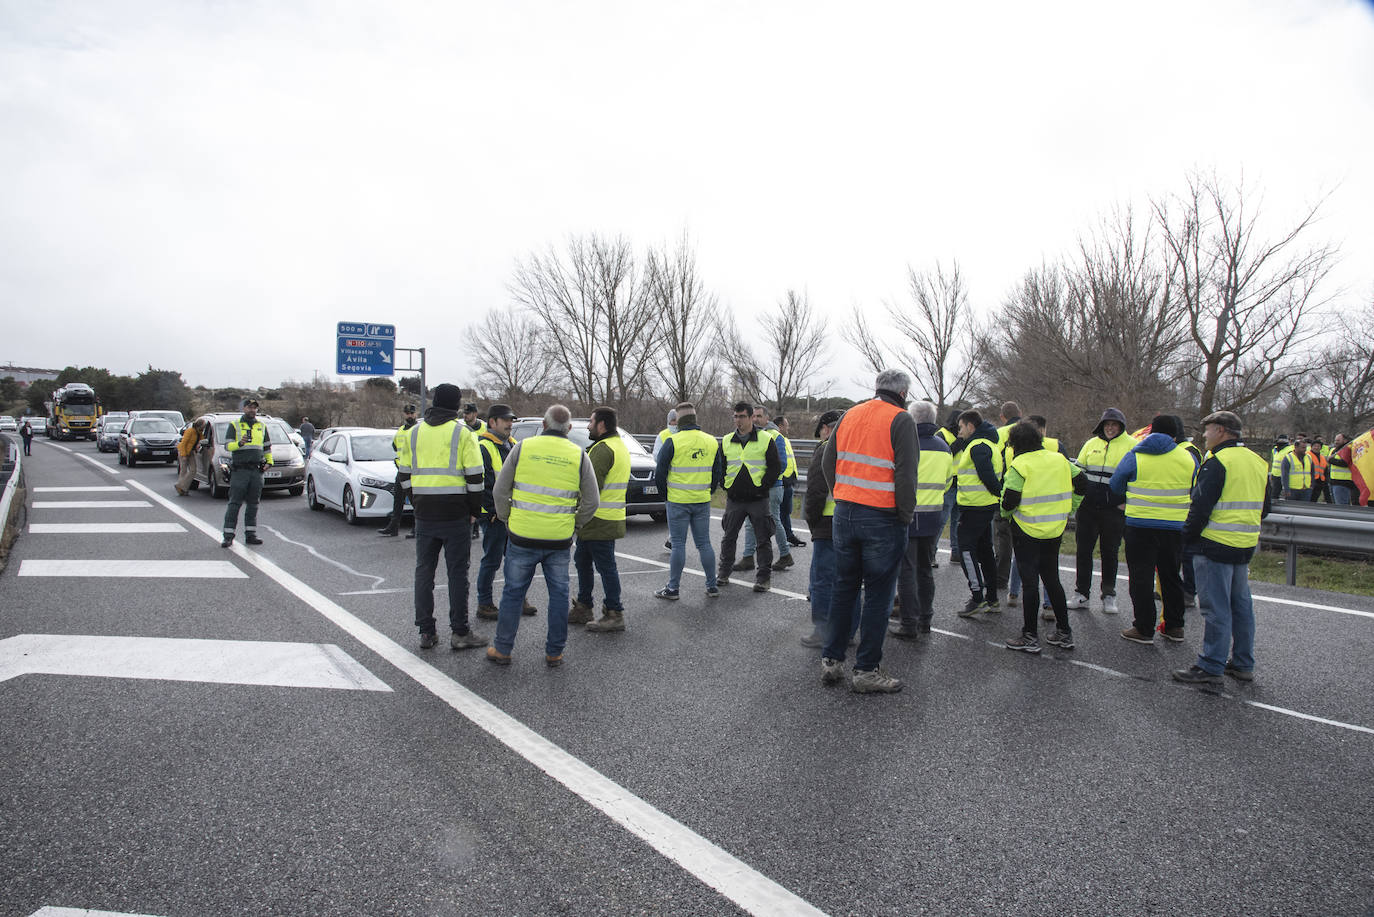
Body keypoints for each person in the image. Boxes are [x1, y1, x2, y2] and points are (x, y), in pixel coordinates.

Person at [818, 369, 919, 694]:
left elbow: (827, 461)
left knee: (844, 588)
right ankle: (866, 670)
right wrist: (904, 516)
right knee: (878, 595)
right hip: (882, 517)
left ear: (877, 389)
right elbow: (906, 475)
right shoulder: (901, 419)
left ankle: (831, 661)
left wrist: (841, 494)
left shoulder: (850, 414)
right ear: (903, 394)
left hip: (845, 513)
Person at [488, 404, 599, 666]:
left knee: (513, 593)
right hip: (559, 540)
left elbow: (499, 491)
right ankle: (554, 651)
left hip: (521, 535)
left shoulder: (522, 448)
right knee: (559, 595)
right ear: (569, 428)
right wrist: (575, 525)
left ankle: (503, 649)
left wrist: (507, 519)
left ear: (544, 425)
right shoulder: (579, 455)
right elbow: (592, 501)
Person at [1173, 410, 1271, 684]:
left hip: (1215, 545)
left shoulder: (1217, 461)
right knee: (1241, 606)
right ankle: (1242, 663)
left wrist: (1188, 538)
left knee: (1215, 609)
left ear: (1222, 431)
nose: (1204, 435)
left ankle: (1211, 665)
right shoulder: (1258, 461)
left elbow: (1200, 507)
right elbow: (1266, 508)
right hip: (1245, 544)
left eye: (1208, 430)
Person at [399, 383, 488, 651]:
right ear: (457, 405)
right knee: (457, 574)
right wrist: (474, 511)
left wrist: (416, 501)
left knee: (424, 572)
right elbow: (475, 479)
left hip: (425, 512)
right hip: (455, 513)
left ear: (434, 402)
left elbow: (403, 476)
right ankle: (460, 632)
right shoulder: (464, 433)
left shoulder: (414, 433)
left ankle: (426, 632)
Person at [1110, 415, 1198, 646]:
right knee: (1170, 576)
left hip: (1140, 525)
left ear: (1150, 432)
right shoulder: (1188, 457)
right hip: (1174, 527)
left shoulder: (1136, 454)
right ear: (1175, 436)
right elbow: (1196, 487)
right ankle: (1174, 626)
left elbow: (1116, 484)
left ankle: (1143, 628)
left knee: (1141, 577)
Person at [1000, 421, 1085, 653]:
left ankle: (1029, 636)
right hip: (1055, 528)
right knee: (1052, 579)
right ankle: (1064, 632)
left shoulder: (1020, 464)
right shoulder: (1059, 459)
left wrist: (1006, 514)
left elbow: (1010, 499)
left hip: (1026, 529)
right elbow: (1082, 483)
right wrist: (1070, 508)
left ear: (1016, 444)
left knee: (1030, 583)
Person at [890, 401, 951, 640]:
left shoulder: (905, 444)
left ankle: (909, 623)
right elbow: (947, 483)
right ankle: (926, 619)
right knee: (925, 570)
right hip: (933, 516)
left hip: (907, 514)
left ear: (911, 419)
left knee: (907, 571)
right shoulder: (944, 447)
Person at [571, 407, 631, 633]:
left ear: (602, 425)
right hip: (607, 516)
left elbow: (588, 487)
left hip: (598, 518)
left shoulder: (603, 449)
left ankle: (614, 613)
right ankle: (584, 606)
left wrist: (574, 511)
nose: (588, 426)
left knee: (606, 567)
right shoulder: (618, 445)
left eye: (591, 421)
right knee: (583, 560)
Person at [655, 402, 724, 599]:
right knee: (704, 544)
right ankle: (712, 586)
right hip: (701, 500)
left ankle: (673, 588)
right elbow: (717, 471)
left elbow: (660, 472)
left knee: (678, 544)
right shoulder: (711, 441)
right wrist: (708, 491)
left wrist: (664, 495)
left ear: (679, 421)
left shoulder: (673, 441)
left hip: (677, 500)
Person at [474, 404, 536, 621]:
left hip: (512, 514)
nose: (510, 424)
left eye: (511, 420)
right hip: (493, 514)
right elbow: (483, 483)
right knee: (492, 560)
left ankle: (518, 599)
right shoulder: (483, 446)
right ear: (493, 422)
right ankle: (484, 603)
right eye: (506, 420)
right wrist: (492, 511)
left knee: (515, 560)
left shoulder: (512, 444)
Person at [1072, 408, 1132, 613]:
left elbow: (1137, 477)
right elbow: (1078, 473)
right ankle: (1081, 594)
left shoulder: (1132, 446)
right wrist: (1079, 499)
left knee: (1110, 552)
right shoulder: (1091, 444)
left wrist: (1126, 502)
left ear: (1121, 427)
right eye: (1107, 425)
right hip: (1088, 508)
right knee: (1083, 551)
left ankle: (1108, 594)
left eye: (1114, 425)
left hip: (1113, 510)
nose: (1110, 428)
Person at [716, 401, 780, 595]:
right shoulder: (726, 440)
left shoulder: (765, 438)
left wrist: (762, 486)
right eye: (735, 416)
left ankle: (763, 579)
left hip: (758, 499)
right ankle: (723, 573)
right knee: (729, 537)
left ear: (752, 417)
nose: (738, 420)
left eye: (742, 416)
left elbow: (775, 467)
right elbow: (721, 466)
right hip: (735, 499)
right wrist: (725, 484)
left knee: (763, 539)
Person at [802, 410, 853, 646]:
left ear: (826, 428)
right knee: (850, 579)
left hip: (827, 521)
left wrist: (811, 520)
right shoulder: (858, 447)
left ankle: (822, 631)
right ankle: (849, 631)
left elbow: (815, 491)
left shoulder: (826, 448)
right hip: (854, 520)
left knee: (823, 579)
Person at [953, 409, 1002, 617]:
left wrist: (998, 493)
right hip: (983, 506)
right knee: (985, 551)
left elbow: (987, 475)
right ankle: (992, 598)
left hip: (975, 507)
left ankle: (977, 596)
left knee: (966, 550)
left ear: (971, 426)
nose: (959, 432)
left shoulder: (978, 446)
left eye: (961, 427)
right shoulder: (988, 443)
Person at [737, 406, 794, 572]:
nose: (755, 419)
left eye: (759, 416)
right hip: (754, 487)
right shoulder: (749, 435)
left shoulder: (775, 436)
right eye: (753, 416)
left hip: (771, 487)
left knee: (774, 521)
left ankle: (785, 555)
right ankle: (748, 557)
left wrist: (764, 482)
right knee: (749, 522)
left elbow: (781, 463)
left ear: (767, 418)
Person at [221, 399, 273, 548]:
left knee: (253, 504)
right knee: (234, 503)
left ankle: (251, 534)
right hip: (240, 470)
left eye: (255, 408)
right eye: (250, 407)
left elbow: (267, 448)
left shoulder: (261, 426)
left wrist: (269, 462)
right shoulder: (235, 425)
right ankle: (228, 536)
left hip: (256, 471)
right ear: (243, 408)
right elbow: (227, 446)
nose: (252, 410)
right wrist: (240, 443)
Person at [992, 401, 1023, 600]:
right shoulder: (1031, 430)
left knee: (1003, 535)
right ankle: (1021, 579)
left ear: (1003, 417)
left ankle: (1001, 577)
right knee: (1023, 537)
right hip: (1028, 490)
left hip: (1005, 487)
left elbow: (996, 460)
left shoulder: (1001, 433)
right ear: (1020, 414)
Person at [377, 404, 419, 537]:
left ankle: (417, 528)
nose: (410, 415)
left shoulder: (419, 430)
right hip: (402, 470)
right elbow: (395, 447)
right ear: (404, 414)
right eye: (407, 413)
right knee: (398, 500)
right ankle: (393, 526)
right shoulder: (400, 430)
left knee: (415, 501)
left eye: (412, 413)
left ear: (416, 414)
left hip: (415, 471)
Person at [776, 415, 806, 548]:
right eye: (786, 424)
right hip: (782, 481)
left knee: (786, 511)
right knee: (781, 513)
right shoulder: (776, 439)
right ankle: (785, 537)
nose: (788, 427)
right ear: (780, 426)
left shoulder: (785, 440)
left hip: (789, 480)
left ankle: (788, 535)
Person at [937, 409, 961, 569]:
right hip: (947, 483)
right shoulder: (942, 434)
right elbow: (942, 456)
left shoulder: (965, 436)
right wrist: (959, 443)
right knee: (941, 520)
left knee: (957, 521)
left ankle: (956, 552)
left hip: (961, 483)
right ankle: (931, 552)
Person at [174, 418, 207, 496]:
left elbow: (202, 440)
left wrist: (200, 443)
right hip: (184, 452)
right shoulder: (190, 431)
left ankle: (181, 486)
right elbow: (183, 443)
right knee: (183, 470)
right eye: (203, 426)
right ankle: (182, 489)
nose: (204, 427)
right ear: (199, 425)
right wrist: (184, 455)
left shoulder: (199, 433)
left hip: (191, 452)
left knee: (193, 470)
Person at [1329, 433, 1355, 505]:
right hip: (1333, 481)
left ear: (1345, 440)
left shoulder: (1348, 449)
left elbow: (1345, 463)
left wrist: (1331, 460)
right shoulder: (1334, 450)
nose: (1336, 442)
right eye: (1335, 440)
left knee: (1341, 506)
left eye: (1338, 440)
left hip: (1343, 482)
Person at [1268, 435, 1291, 500]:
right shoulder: (1275, 449)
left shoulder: (1289, 449)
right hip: (1275, 475)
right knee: (1274, 493)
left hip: (1284, 475)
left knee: (1285, 494)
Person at [1309, 436, 1330, 503]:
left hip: (1320, 482)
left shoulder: (1322, 457)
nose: (1316, 447)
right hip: (1311, 481)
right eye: (1315, 446)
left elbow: (1325, 469)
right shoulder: (1307, 455)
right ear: (1311, 447)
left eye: (1318, 446)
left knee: (1315, 500)